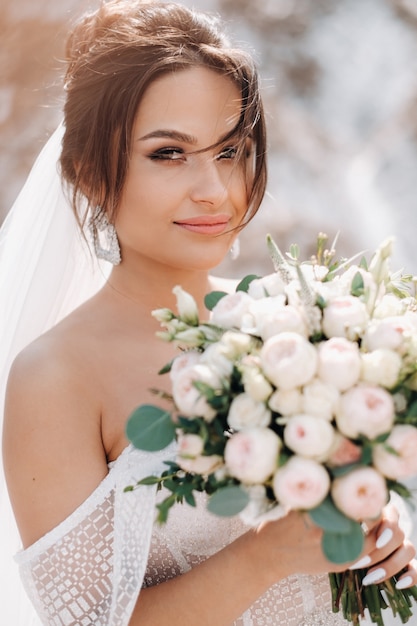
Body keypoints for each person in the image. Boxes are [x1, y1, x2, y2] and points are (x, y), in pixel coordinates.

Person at [1, 1, 416, 625]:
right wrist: (264, 557)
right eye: (169, 153)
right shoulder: (56, 378)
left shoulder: (297, 318)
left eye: (230, 151)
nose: (216, 190)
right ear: (88, 174)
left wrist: (387, 547)